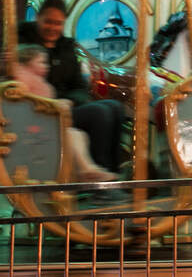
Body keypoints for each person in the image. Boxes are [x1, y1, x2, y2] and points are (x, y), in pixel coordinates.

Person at [17, 0, 129, 173]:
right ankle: (99, 176)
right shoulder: (22, 44)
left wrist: (72, 101)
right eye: (49, 22)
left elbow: (78, 86)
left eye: (58, 23)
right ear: (38, 18)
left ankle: (113, 173)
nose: (53, 28)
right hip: (41, 110)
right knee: (101, 113)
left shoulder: (66, 47)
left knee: (115, 107)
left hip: (64, 106)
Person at [7, 45, 117, 183]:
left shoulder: (40, 83)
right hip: (30, 128)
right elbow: (30, 103)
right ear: (28, 62)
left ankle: (82, 171)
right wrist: (56, 105)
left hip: (41, 125)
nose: (47, 66)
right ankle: (86, 170)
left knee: (79, 135)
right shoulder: (22, 79)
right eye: (42, 62)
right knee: (71, 135)